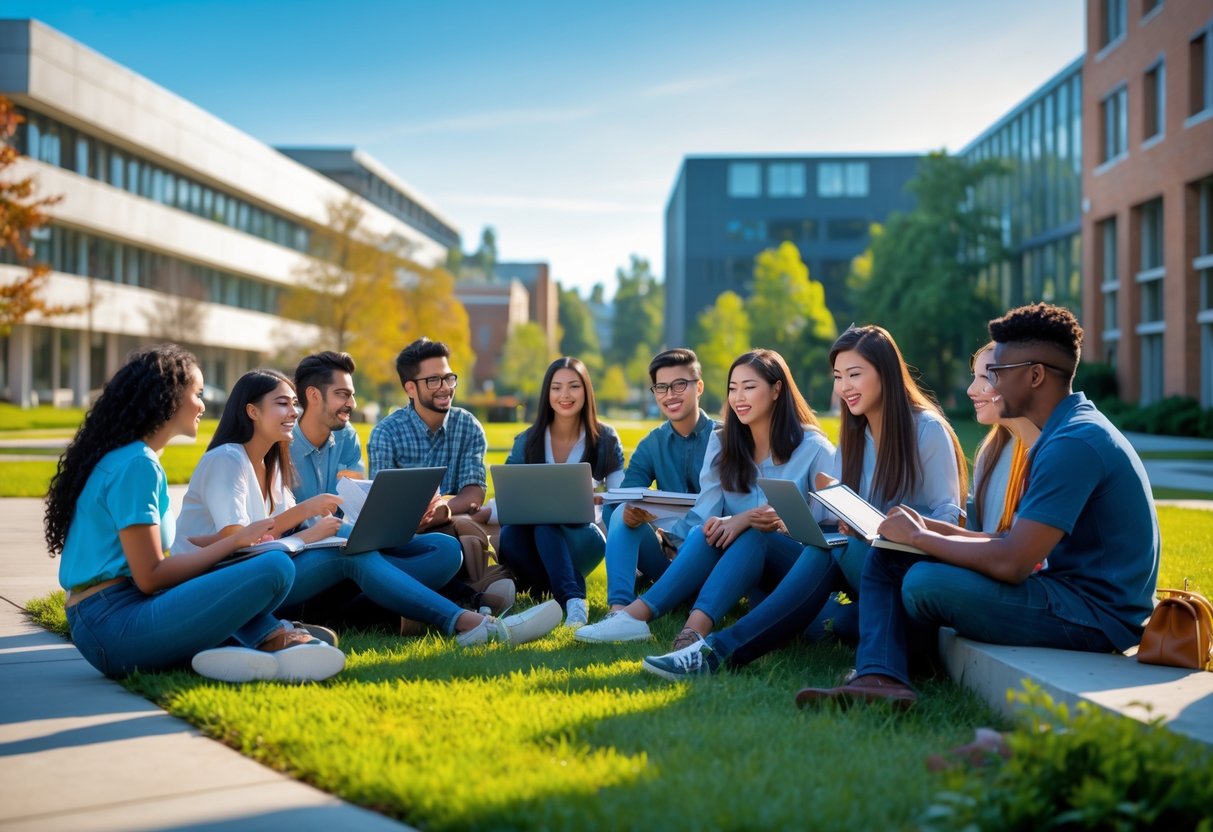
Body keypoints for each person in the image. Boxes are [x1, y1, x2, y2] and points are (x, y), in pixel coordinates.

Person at [796, 304, 1160, 710]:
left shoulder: (1073, 443)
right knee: (890, 554)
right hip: (1063, 591)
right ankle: (880, 676)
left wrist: (921, 537)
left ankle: (889, 667)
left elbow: (1012, 562)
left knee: (923, 582)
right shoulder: (1063, 431)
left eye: (997, 373)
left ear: (1035, 375)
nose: (988, 384)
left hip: (1094, 616)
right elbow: (1008, 540)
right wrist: (929, 530)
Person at [639, 326, 966, 681]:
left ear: (885, 373)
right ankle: (704, 645)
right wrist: (845, 518)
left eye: (855, 375)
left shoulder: (926, 429)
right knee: (819, 578)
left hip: (908, 563)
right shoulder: (856, 434)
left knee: (829, 556)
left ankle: (714, 653)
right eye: (839, 377)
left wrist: (897, 526)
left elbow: (950, 515)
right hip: (862, 556)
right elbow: (843, 510)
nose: (844, 387)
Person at [175, 369, 560, 649]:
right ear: (252, 412)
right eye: (282, 404)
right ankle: (469, 623)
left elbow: (286, 533)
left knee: (442, 550)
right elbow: (235, 545)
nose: (293, 412)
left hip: (278, 571)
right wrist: (308, 522)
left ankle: (368, 610)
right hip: (232, 585)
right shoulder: (228, 460)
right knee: (349, 551)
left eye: (294, 403)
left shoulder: (273, 463)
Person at [44, 344, 344, 684]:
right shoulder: (137, 464)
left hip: (120, 612)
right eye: (197, 393)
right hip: (111, 625)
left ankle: (250, 646)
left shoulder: (134, 458)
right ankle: (272, 638)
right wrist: (231, 544)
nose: (203, 404)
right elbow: (151, 576)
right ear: (168, 397)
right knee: (273, 566)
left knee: (245, 567)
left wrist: (219, 544)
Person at [576, 349, 835, 649]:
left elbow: (830, 529)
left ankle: (641, 617)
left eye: (749, 387)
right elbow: (706, 516)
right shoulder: (724, 443)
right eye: (733, 389)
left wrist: (758, 520)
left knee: (823, 621)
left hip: (799, 565)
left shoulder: (815, 448)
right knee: (709, 528)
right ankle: (681, 631)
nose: (738, 397)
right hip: (742, 568)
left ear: (777, 389)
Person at [287, 350, 465, 628]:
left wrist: (394, 520)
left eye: (352, 395)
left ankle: (353, 606)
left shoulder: (346, 437)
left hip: (348, 544)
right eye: (343, 395)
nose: (352, 404)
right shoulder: (282, 444)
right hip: (305, 556)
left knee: (446, 550)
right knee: (357, 552)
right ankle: (460, 617)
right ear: (313, 395)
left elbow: (352, 505)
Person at [368, 337, 514, 615]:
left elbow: (474, 493)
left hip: (456, 523)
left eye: (449, 378)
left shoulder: (468, 425)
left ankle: (467, 594)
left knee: (464, 532)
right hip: (407, 533)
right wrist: (418, 517)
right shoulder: (386, 433)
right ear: (410, 388)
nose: (446, 387)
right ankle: (474, 595)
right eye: (433, 380)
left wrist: (443, 509)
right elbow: (382, 504)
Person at [497, 357, 625, 628]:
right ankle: (565, 592)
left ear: (586, 391)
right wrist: (482, 510)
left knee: (546, 519)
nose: (564, 395)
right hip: (534, 541)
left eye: (573, 387)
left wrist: (598, 496)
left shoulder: (605, 439)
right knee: (513, 531)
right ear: (547, 394)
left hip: (583, 536)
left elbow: (620, 495)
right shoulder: (527, 441)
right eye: (556, 388)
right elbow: (508, 495)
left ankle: (573, 600)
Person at [596, 348, 716, 612]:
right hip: (667, 560)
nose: (670, 395)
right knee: (622, 512)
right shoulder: (652, 444)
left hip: (714, 557)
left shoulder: (726, 438)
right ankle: (619, 611)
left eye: (679, 385)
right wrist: (636, 515)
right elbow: (620, 500)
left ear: (699, 388)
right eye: (661, 387)